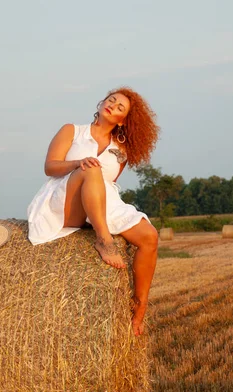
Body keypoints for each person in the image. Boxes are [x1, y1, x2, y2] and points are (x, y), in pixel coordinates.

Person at [27, 87, 160, 336]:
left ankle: (139, 308)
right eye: (111, 100)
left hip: (102, 202)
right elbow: (50, 166)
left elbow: (110, 184)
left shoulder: (121, 150)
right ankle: (103, 239)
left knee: (150, 237)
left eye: (120, 107)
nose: (113, 105)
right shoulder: (72, 131)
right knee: (91, 168)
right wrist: (79, 163)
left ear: (123, 120)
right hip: (63, 201)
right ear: (101, 103)